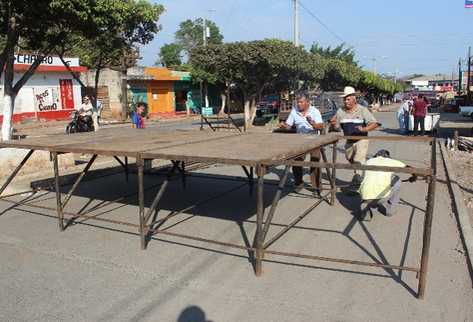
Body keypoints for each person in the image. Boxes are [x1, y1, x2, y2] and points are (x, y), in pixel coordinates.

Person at [330, 86, 379, 185]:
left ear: (354, 99)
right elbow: (337, 128)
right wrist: (333, 124)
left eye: (348, 99)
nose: (345, 102)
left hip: (362, 139)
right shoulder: (340, 111)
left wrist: (364, 129)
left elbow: (374, 123)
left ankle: (358, 179)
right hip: (349, 141)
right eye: (344, 99)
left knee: (358, 159)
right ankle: (360, 172)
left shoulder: (362, 110)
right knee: (350, 158)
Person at [280, 93, 324, 192]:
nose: (299, 104)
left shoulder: (314, 111)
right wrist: (283, 125)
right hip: (300, 139)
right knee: (296, 161)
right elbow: (289, 126)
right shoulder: (294, 111)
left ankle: (317, 186)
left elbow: (320, 126)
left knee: (315, 161)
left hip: (314, 138)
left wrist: (312, 123)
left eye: (301, 102)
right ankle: (298, 183)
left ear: (308, 102)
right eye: (298, 102)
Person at [358, 149, 417, 221]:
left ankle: (366, 205)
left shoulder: (368, 161)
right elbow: (410, 169)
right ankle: (389, 210)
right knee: (397, 180)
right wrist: (414, 177)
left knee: (367, 180)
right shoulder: (391, 161)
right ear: (387, 156)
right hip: (382, 197)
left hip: (364, 195)